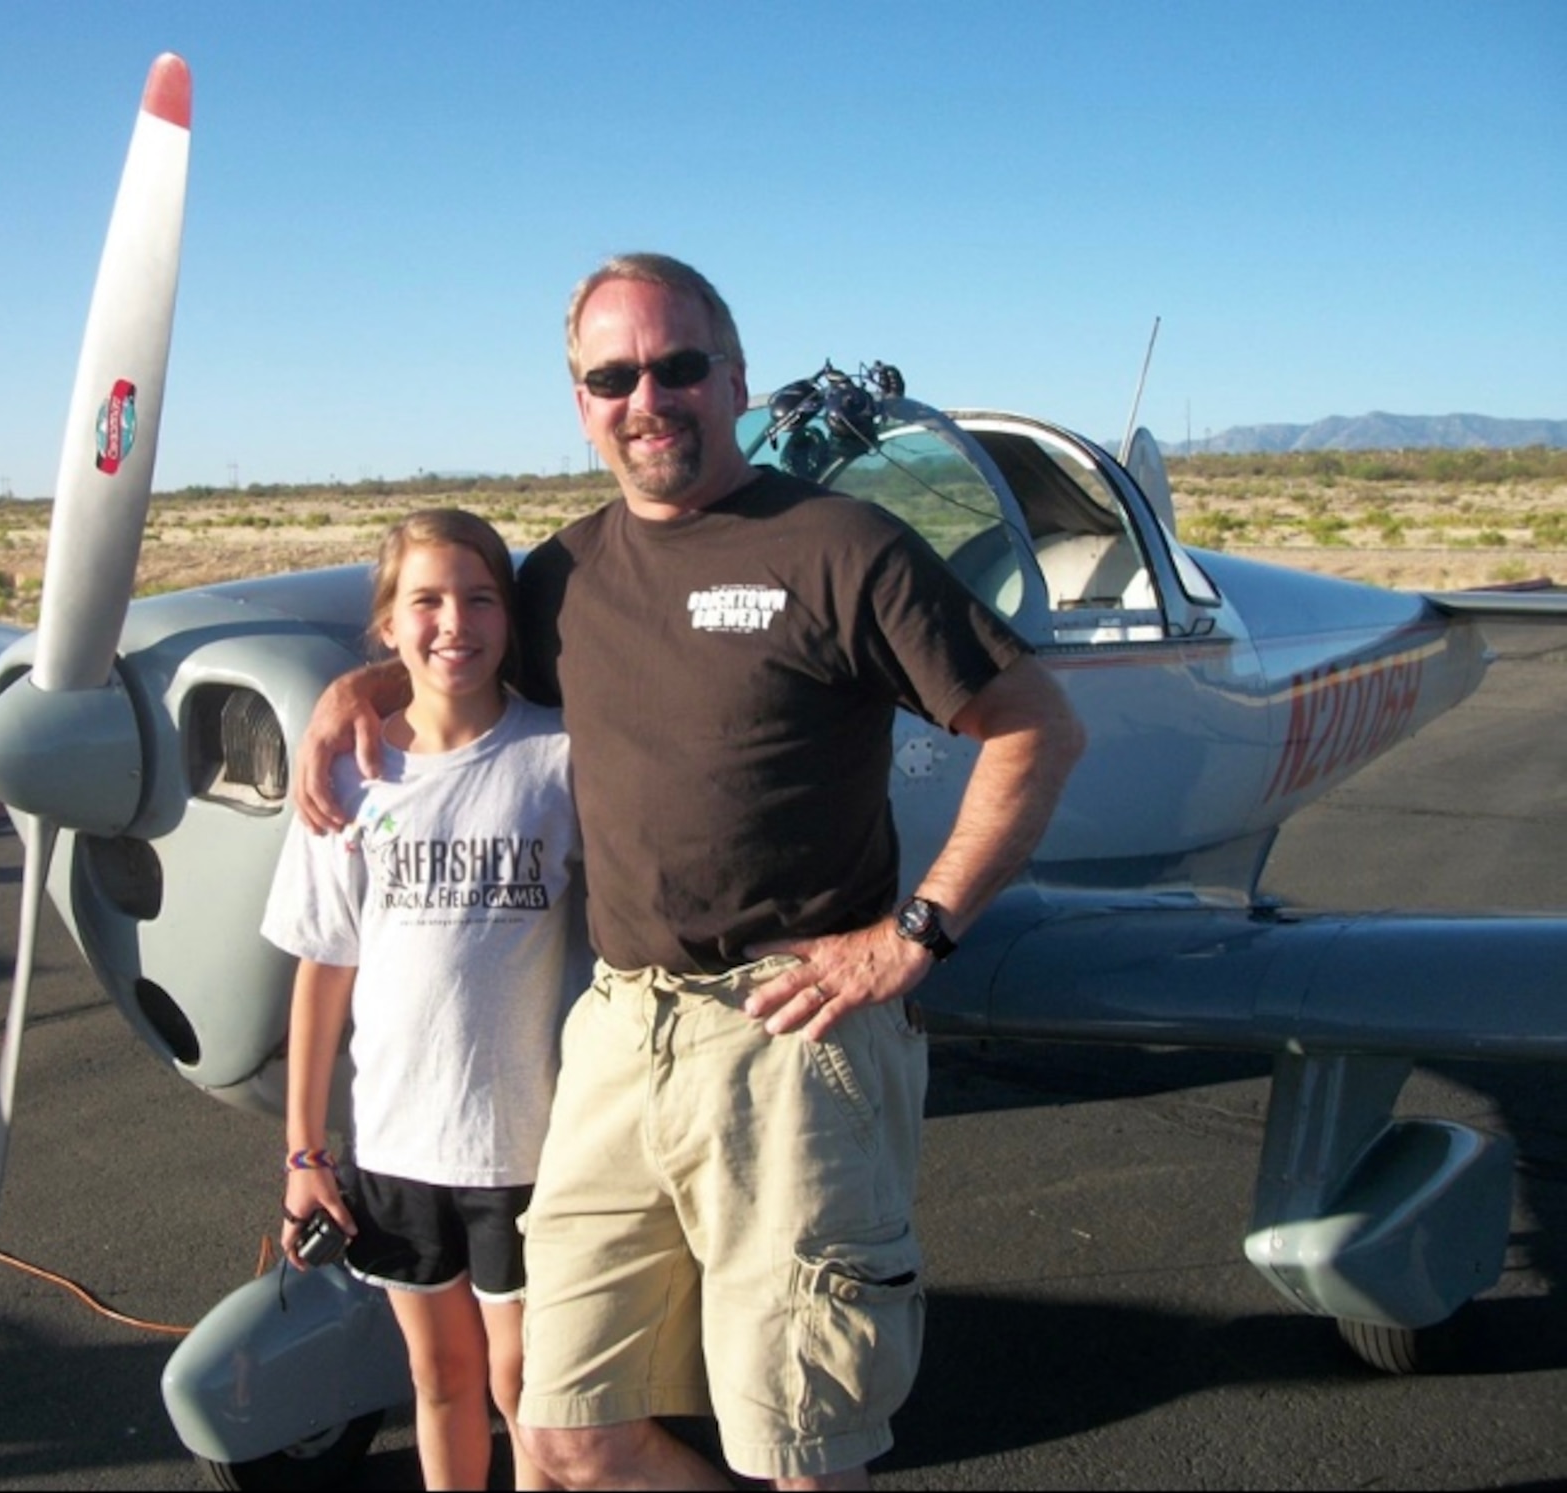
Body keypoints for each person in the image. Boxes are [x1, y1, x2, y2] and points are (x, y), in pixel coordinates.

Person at [293, 255, 1086, 1490]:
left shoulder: (839, 546)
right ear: (580, 400)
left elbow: (1034, 722)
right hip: (617, 1030)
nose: (646, 397)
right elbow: (461, 656)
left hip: (787, 1032)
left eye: (675, 367)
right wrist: (366, 682)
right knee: (559, 1436)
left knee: (801, 1443)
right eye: (612, 375)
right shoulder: (560, 576)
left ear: (732, 378)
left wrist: (912, 931)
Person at [264, 508, 578, 1491]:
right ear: (387, 630)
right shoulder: (347, 782)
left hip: (528, 1142)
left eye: (480, 597)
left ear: (509, 617)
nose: (454, 622)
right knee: (439, 1377)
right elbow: (324, 967)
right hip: (399, 1143)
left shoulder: (559, 758)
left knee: (528, 1381)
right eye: (426, 601)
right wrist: (305, 1150)